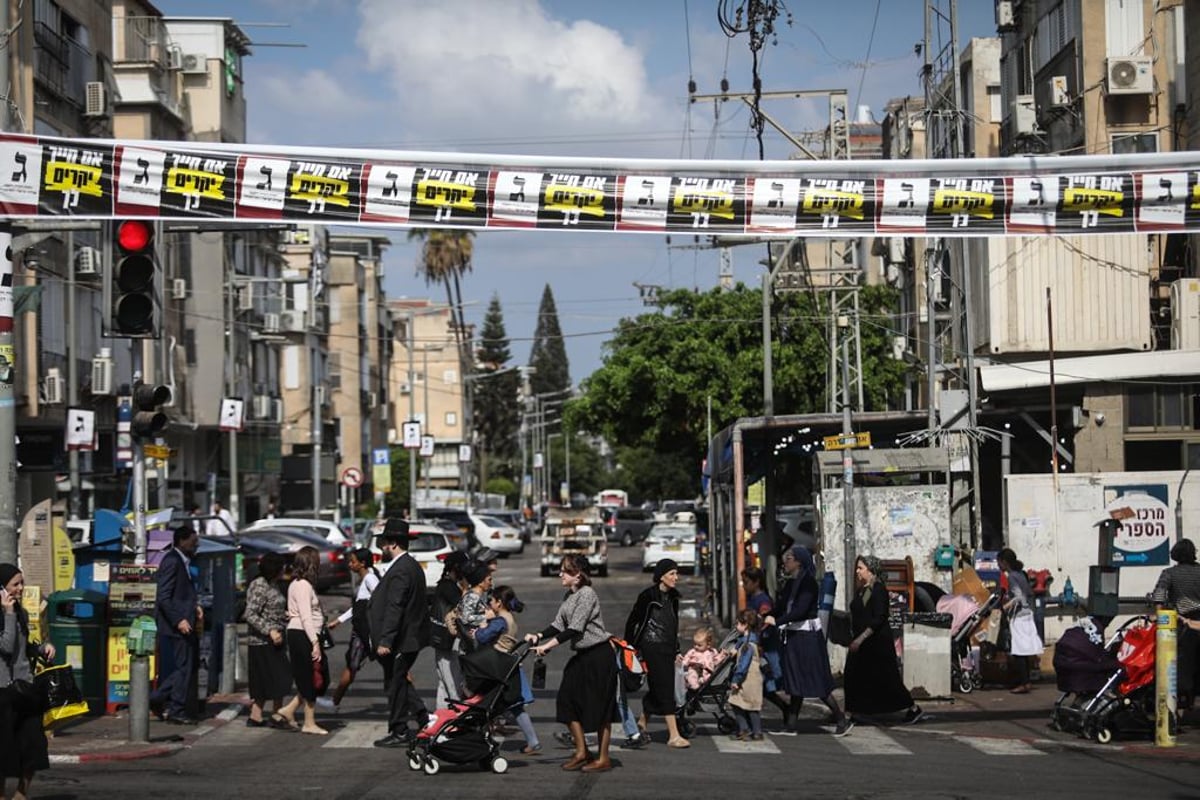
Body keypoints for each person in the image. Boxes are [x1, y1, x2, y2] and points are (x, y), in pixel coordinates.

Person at [525, 555, 618, 773]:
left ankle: (603, 758)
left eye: (565, 571)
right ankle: (581, 751)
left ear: (578, 575)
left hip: (599, 656)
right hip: (583, 657)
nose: (560, 574)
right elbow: (559, 624)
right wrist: (539, 635)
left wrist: (549, 646)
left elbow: (575, 628)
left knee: (601, 707)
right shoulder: (570, 595)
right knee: (566, 700)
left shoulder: (587, 594)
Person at [764, 545, 852, 737]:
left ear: (798, 562)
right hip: (794, 636)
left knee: (814, 678)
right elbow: (780, 607)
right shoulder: (790, 583)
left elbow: (800, 611)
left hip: (808, 637)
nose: (785, 562)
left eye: (788, 558)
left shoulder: (809, 584)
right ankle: (791, 725)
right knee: (796, 679)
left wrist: (776, 622)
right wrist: (764, 617)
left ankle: (840, 718)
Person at [368, 518, 431, 748]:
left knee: (395, 685)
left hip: (402, 640)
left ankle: (399, 729)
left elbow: (396, 607)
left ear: (393, 543)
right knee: (399, 681)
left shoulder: (402, 569)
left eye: (384, 543)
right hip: (406, 638)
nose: (381, 547)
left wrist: (386, 640)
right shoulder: (407, 565)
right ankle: (424, 718)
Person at [843, 555, 924, 725]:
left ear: (871, 570)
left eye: (861, 568)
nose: (857, 572)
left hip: (876, 643)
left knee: (887, 680)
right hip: (863, 643)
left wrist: (861, 638)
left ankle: (912, 708)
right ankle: (858, 711)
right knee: (855, 676)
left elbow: (879, 617)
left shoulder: (878, 590)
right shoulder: (863, 590)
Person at [1, 563, 56, 800]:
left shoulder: (20, 612)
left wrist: (43, 647)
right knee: (3, 752)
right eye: (15, 584)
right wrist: (9, 613)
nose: (21, 588)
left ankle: (21, 795)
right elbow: (6, 646)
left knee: (34, 746)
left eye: (21, 582)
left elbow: (24, 647)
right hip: (3, 691)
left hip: (25, 689)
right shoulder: (10, 613)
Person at [624, 558, 687, 748]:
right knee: (666, 688)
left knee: (659, 686)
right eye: (672, 574)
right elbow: (633, 620)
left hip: (667, 647)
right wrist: (630, 646)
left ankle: (642, 723)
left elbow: (673, 625)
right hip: (651, 647)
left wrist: (676, 649)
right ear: (661, 577)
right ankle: (673, 735)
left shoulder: (674, 597)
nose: (676, 577)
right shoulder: (648, 596)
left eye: (676, 573)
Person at [475, 585, 541, 754]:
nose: (489, 603)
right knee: (516, 705)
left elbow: (482, 637)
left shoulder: (499, 621)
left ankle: (481, 740)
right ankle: (532, 741)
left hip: (498, 667)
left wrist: (482, 624)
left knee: (483, 702)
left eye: (491, 600)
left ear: (499, 603)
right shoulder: (508, 617)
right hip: (508, 665)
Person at [151, 526, 202, 725]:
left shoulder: (183, 561)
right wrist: (179, 620)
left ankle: (160, 700)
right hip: (177, 624)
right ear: (182, 541)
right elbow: (163, 597)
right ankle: (173, 708)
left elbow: (182, 593)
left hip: (185, 621)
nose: (195, 544)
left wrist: (194, 607)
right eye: (192, 540)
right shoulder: (172, 561)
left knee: (188, 666)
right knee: (184, 668)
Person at [278, 546, 329, 735]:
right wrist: (314, 642)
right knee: (311, 677)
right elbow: (306, 617)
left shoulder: (300, 584)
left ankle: (289, 710)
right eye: (316, 560)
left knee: (316, 677)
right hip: (303, 635)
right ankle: (309, 722)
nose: (319, 564)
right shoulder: (302, 585)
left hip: (304, 634)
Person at [243, 552, 293, 729]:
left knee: (273, 679)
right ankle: (276, 715)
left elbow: (273, 608)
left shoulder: (274, 584)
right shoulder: (259, 585)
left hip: (277, 639)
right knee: (276, 678)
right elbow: (250, 613)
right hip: (262, 642)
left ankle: (258, 716)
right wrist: (269, 630)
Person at [325, 548, 380, 709]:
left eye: (353, 561)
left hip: (365, 633)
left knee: (351, 665)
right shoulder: (363, 578)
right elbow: (359, 606)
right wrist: (339, 620)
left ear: (362, 564)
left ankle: (335, 701)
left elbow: (378, 600)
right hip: (363, 631)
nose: (350, 565)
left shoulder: (370, 578)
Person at [1151, 538, 1200, 714]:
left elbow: (1159, 596)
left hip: (1183, 623)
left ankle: (1180, 703)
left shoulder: (1169, 573)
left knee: (1182, 665)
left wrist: (1159, 616)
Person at [742, 566, 789, 725]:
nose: (744, 585)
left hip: (765, 648)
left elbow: (763, 623)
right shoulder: (752, 599)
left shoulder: (763, 601)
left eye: (746, 582)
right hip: (757, 646)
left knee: (765, 684)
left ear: (757, 582)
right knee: (765, 687)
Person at [997, 547, 1043, 694]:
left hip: (1020, 616)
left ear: (1004, 562)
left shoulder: (1011, 577)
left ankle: (1024, 683)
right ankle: (1026, 681)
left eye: (999, 562)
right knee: (1024, 650)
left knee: (1019, 651)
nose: (998, 565)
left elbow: (1018, 597)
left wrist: (1005, 607)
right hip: (1028, 613)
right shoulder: (1020, 574)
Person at [429, 551, 468, 709]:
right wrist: (466, 588)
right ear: (456, 568)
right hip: (448, 641)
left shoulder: (445, 585)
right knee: (453, 685)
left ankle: (441, 721)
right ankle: (454, 721)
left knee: (444, 683)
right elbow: (464, 607)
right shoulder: (448, 587)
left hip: (442, 640)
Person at [726, 608, 764, 741]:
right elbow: (740, 643)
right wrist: (734, 650)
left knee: (735, 702)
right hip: (754, 680)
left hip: (746, 680)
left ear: (745, 625)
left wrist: (736, 680)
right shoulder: (751, 641)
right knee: (753, 706)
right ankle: (757, 732)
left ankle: (744, 728)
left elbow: (743, 665)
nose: (736, 626)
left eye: (738, 624)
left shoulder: (747, 645)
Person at [457, 560, 494, 651]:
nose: (491, 583)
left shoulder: (479, 596)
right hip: (471, 647)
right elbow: (465, 618)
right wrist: (485, 617)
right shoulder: (472, 597)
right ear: (481, 582)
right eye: (489, 580)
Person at [681, 626, 725, 691]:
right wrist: (684, 662)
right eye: (695, 644)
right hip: (695, 670)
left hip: (707, 673)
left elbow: (716, 661)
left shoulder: (712, 652)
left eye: (699, 645)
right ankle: (694, 685)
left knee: (708, 677)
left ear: (708, 645)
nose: (696, 647)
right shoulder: (693, 651)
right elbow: (687, 657)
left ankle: (700, 682)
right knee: (692, 675)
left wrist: (722, 655)